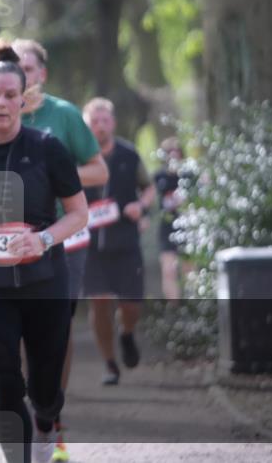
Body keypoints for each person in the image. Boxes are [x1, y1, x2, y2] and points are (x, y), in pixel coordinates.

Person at [0, 47, 88, 463]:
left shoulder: (47, 147)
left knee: (44, 386)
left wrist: (41, 240)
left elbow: (79, 214)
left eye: (10, 95)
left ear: (23, 100)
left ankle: (46, 424)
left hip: (45, 284)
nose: (2, 103)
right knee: (6, 382)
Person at [0, 38, 107, 461]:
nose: (20, 76)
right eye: (12, 67)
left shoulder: (61, 115)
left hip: (63, 234)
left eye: (28, 68)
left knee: (53, 329)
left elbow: (99, 169)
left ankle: (51, 418)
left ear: (41, 73)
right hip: (6, 239)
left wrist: (52, 174)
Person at [81, 97, 156, 386]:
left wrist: (141, 207)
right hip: (90, 244)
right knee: (98, 304)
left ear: (113, 122)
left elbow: (148, 188)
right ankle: (110, 364)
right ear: (86, 126)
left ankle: (127, 334)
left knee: (131, 305)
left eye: (105, 120)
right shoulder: (77, 156)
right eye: (94, 121)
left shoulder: (128, 154)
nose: (100, 126)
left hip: (125, 240)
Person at [153, 137, 192, 301]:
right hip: (167, 228)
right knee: (168, 271)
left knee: (189, 270)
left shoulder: (190, 176)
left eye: (177, 154)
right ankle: (173, 307)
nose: (173, 158)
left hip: (189, 228)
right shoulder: (158, 177)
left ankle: (194, 306)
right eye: (170, 154)